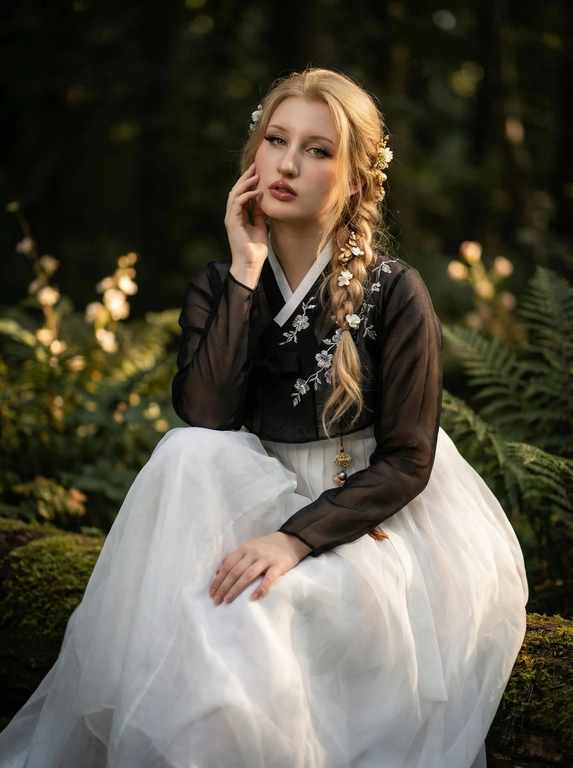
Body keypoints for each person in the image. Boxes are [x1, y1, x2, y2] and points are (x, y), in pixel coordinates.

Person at [0, 68, 527, 768]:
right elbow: (206, 417)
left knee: (251, 623)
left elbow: (408, 460)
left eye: (316, 149)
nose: (286, 163)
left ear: (356, 177)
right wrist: (246, 269)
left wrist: (293, 541)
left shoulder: (394, 292)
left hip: (365, 522)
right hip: (250, 500)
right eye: (276, 140)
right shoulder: (219, 285)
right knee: (186, 454)